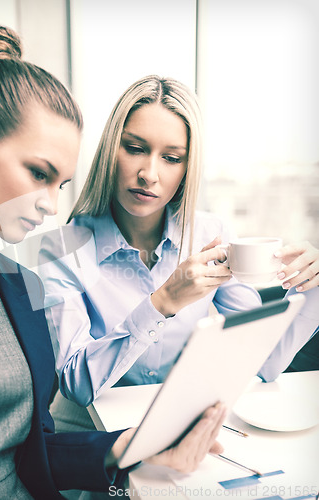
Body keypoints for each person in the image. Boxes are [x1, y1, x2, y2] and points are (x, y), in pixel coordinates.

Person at [0, 29, 228, 500]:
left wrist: (126, 450)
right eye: (39, 174)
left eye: (61, 184)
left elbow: (28, 452)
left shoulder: (19, 285)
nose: (50, 204)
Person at [39, 76, 319, 437]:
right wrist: (163, 301)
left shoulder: (209, 234)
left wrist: (311, 286)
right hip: (88, 443)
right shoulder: (59, 249)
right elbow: (75, 383)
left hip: (176, 434)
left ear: (188, 168)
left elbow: (264, 361)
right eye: (135, 148)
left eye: (171, 158)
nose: (148, 174)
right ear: (111, 150)